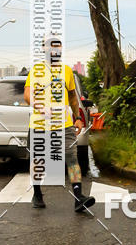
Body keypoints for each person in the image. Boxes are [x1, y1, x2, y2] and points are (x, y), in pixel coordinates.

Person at [24, 36, 95, 213]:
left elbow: (72, 96)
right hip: (40, 125)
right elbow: (27, 95)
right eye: (52, 47)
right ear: (45, 50)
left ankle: (79, 197)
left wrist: (78, 117)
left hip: (64, 125)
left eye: (58, 47)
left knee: (72, 159)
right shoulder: (36, 71)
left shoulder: (67, 71)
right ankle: (37, 193)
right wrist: (40, 107)